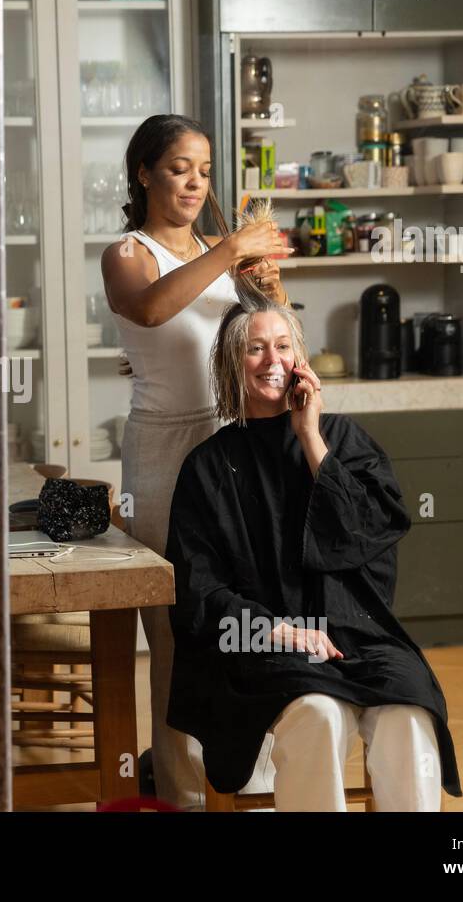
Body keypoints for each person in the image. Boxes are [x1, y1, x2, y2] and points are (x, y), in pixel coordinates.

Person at [163, 291, 463, 810]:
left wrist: (310, 437)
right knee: (320, 713)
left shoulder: (344, 439)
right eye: (255, 349)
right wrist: (274, 630)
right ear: (232, 363)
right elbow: (198, 590)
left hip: (358, 634)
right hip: (266, 643)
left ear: (300, 358)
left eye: (283, 346)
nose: (272, 361)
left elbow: (365, 534)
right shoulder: (208, 467)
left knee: (409, 714)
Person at [102, 114, 293, 808]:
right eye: (180, 166)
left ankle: (253, 782)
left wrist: (267, 287)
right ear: (145, 171)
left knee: (249, 614)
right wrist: (227, 252)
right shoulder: (129, 252)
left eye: (205, 170)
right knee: (177, 628)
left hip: (231, 440)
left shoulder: (221, 249)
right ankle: (182, 794)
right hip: (160, 452)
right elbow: (150, 311)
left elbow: (267, 341)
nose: (195, 181)